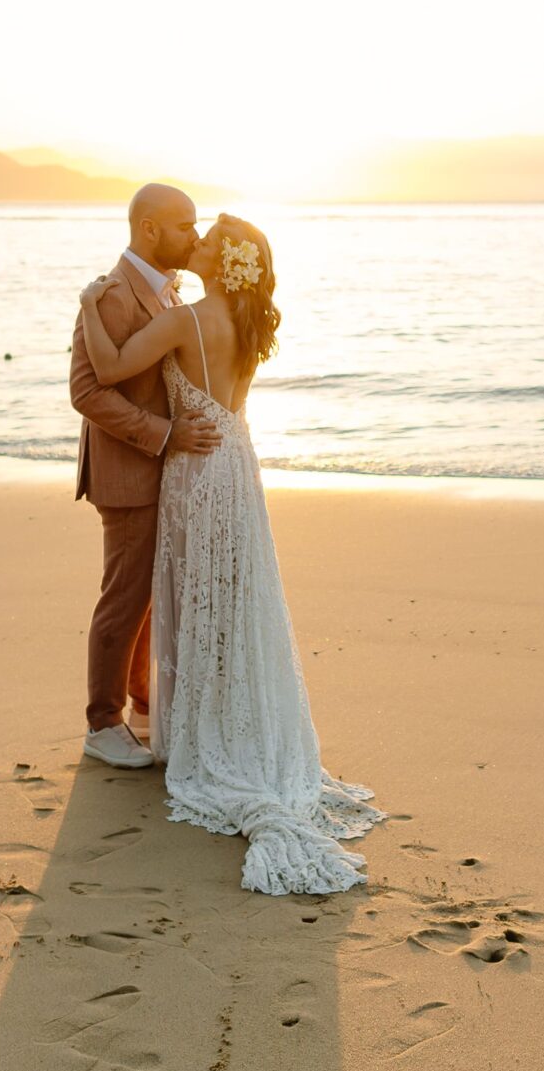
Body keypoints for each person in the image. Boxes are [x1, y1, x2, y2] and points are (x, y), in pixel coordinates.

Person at [75, 211, 383, 895]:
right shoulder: (248, 321)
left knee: (196, 600)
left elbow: (111, 364)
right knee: (237, 602)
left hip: (196, 472)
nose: (197, 242)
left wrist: (89, 305)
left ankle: (202, 734)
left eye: (207, 239)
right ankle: (228, 724)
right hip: (239, 466)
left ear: (221, 263)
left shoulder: (188, 319)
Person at [70, 184, 221, 770]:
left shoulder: (164, 290)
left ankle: (141, 702)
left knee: (151, 596)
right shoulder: (113, 296)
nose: (196, 235)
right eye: (185, 225)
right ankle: (101, 723)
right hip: (128, 470)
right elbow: (86, 391)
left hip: (161, 469)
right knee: (125, 596)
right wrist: (164, 433)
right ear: (150, 229)